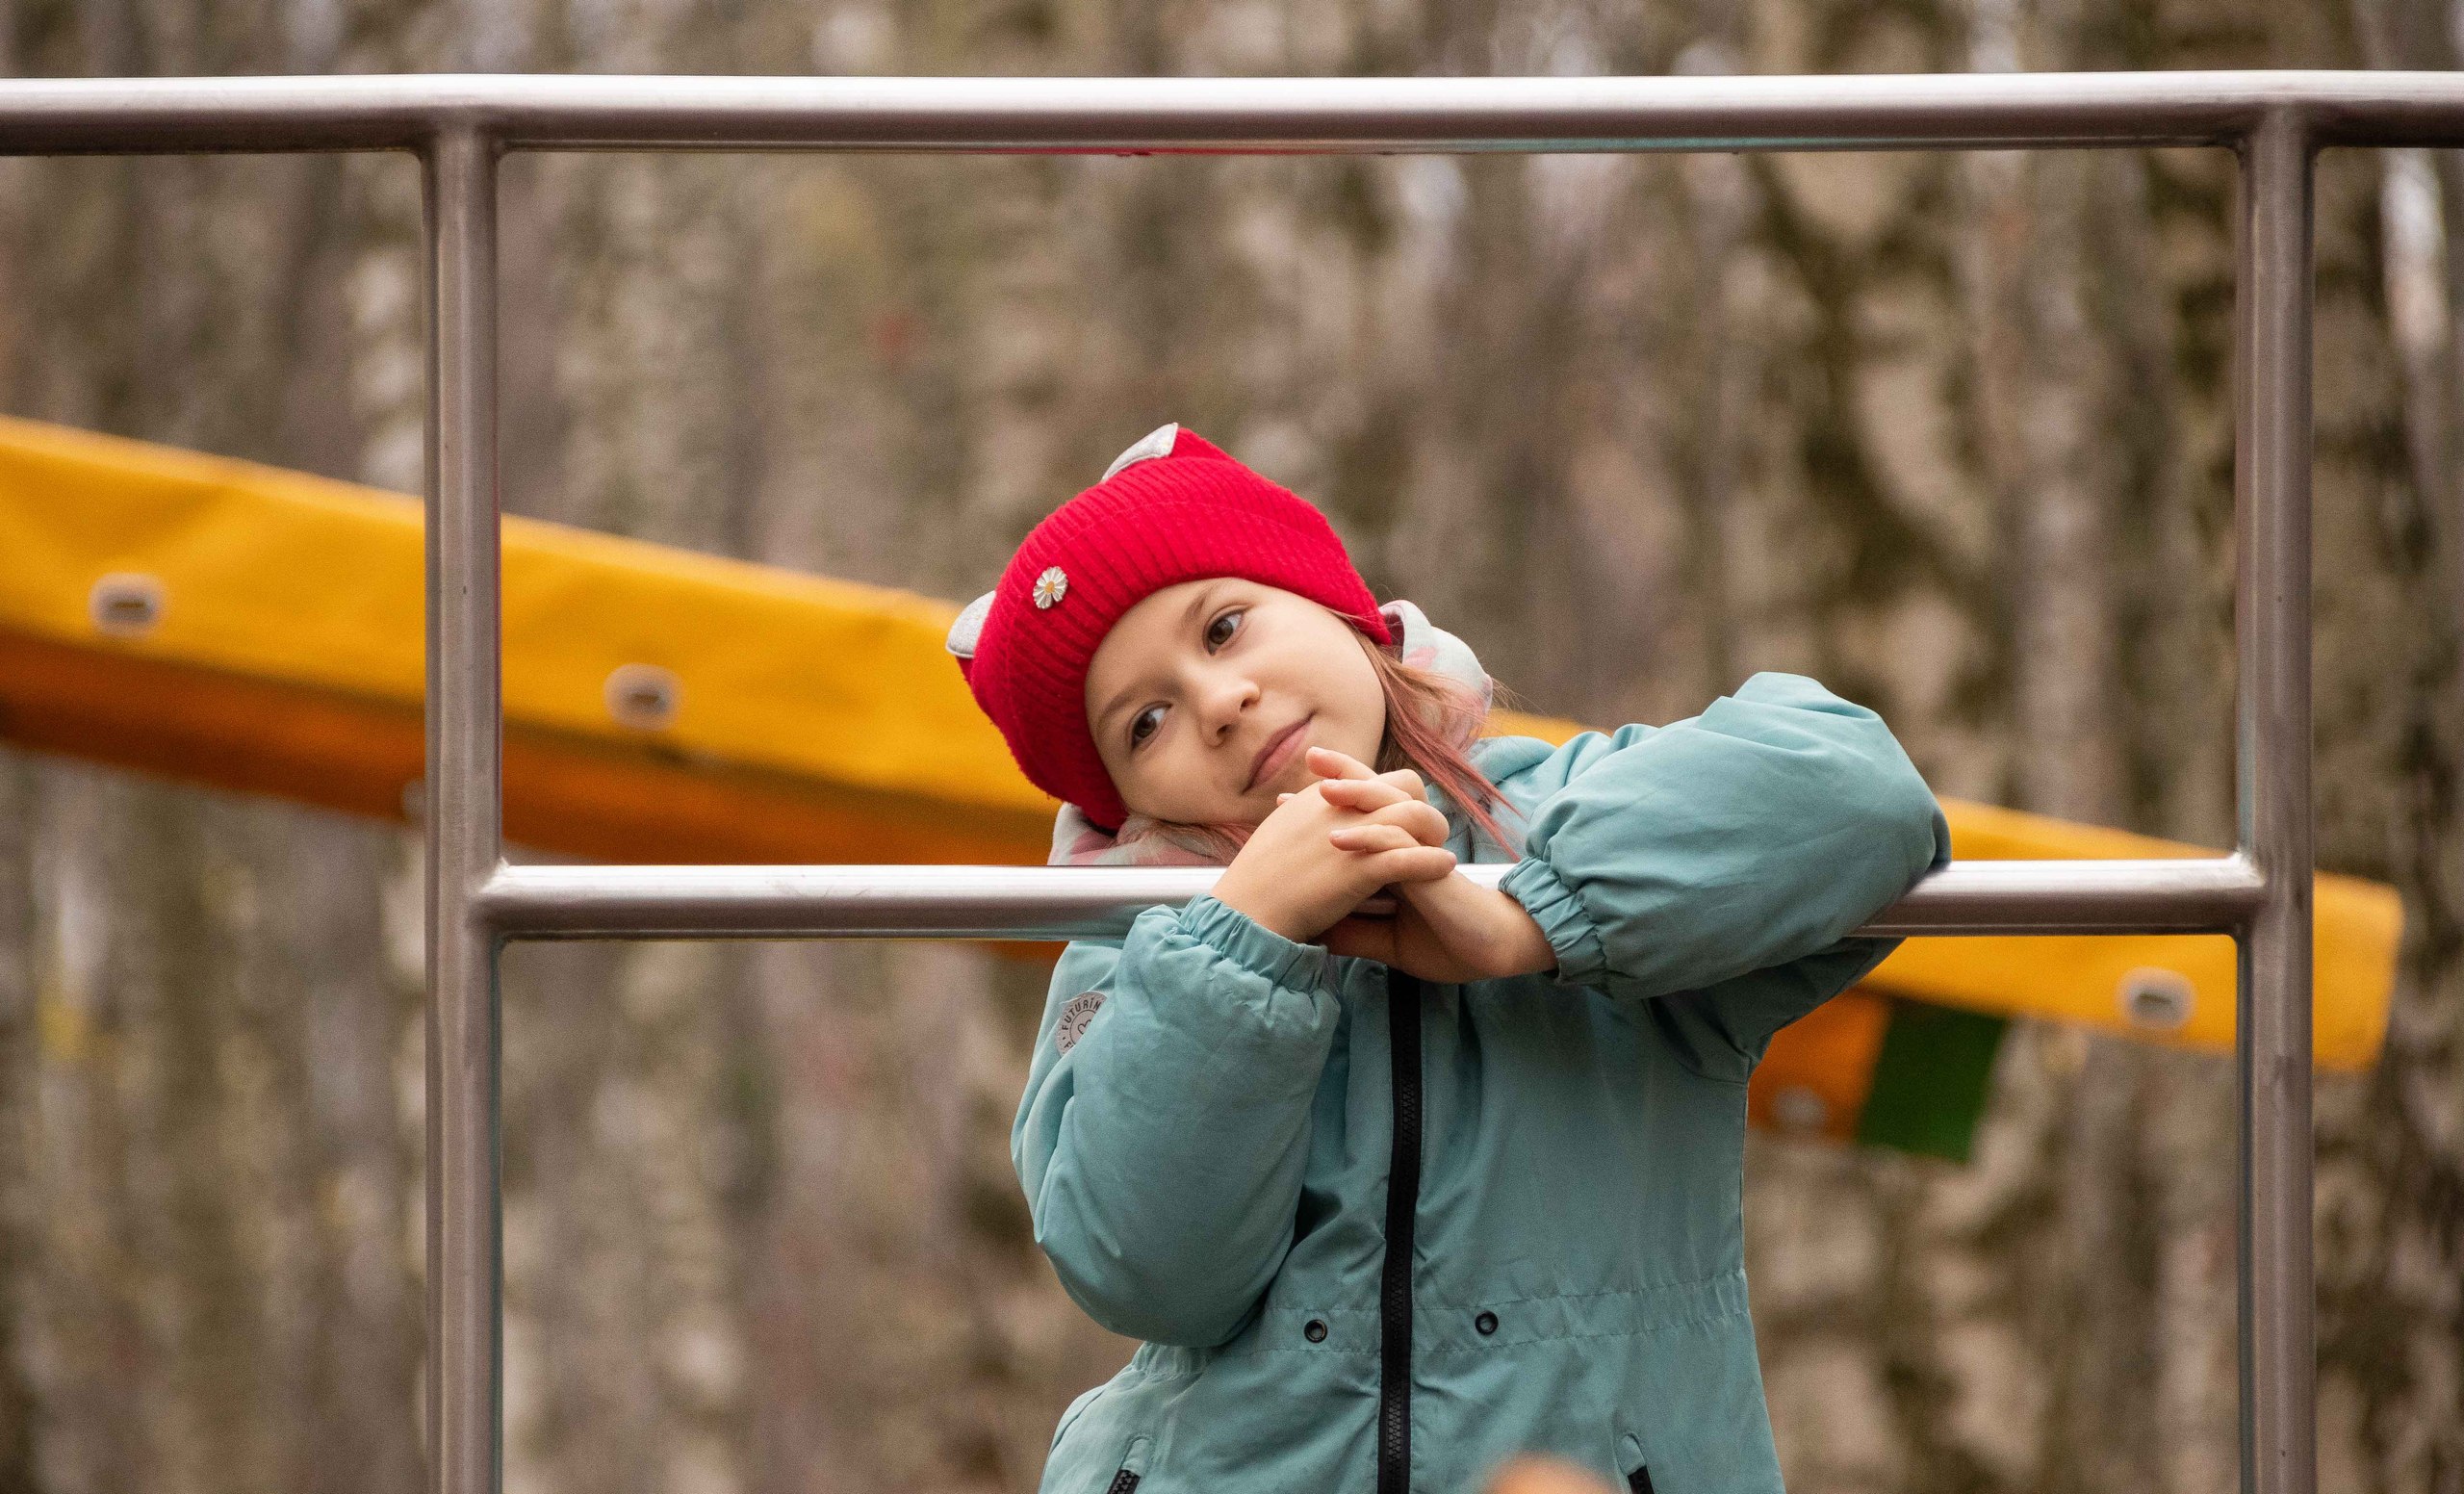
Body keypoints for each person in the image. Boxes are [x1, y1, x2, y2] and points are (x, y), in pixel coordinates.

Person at [944, 425, 1951, 1494]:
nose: (1218, 702)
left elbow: (1859, 790)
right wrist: (1243, 942)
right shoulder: (1139, 947)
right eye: (1144, 723)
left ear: (1335, 604)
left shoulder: (1557, 812)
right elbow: (1144, 1271)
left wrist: (1531, 919)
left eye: (1227, 627)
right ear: (1127, 801)